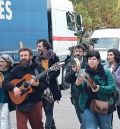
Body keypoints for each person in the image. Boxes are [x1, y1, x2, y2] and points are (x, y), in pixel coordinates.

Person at [5, 47, 47, 129]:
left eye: (25, 55)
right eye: (21, 56)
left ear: (31, 56)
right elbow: (5, 82)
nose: (23, 57)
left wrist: (37, 85)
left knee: (37, 126)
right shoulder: (16, 69)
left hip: (35, 102)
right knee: (21, 127)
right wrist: (14, 87)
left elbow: (45, 84)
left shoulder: (38, 68)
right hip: (20, 103)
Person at [75, 50, 117, 129]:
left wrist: (100, 88)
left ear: (98, 61)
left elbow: (112, 87)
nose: (91, 61)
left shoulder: (106, 72)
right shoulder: (83, 72)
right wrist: (77, 84)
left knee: (105, 127)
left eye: (94, 59)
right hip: (87, 105)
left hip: (103, 104)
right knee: (91, 127)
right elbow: (77, 91)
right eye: (89, 59)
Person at [35, 39, 62, 129]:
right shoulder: (37, 58)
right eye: (37, 46)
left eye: (39, 46)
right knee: (47, 111)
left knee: (48, 110)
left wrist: (47, 77)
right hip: (40, 87)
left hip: (51, 87)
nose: (37, 48)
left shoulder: (53, 57)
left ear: (45, 46)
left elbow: (57, 72)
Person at [65, 44, 87, 129]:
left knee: (87, 118)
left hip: (87, 94)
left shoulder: (88, 61)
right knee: (81, 118)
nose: (78, 53)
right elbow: (67, 80)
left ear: (84, 53)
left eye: (80, 51)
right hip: (76, 95)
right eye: (76, 51)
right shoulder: (70, 63)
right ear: (73, 52)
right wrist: (72, 71)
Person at [104, 48, 120, 119]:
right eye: (108, 55)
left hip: (119, 95)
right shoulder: (105, 67)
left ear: (116, 56)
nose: (109, 57)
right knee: (108, 118)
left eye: (111, 55)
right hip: (109, 96)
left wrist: (113, 73)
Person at [0, 54, 14, 129]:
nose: (0, 63)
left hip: (7, 99)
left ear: (8, 62)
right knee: (6, 117)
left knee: (3, 118)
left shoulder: (11, 72)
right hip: (0, 98)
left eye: (2, 61)